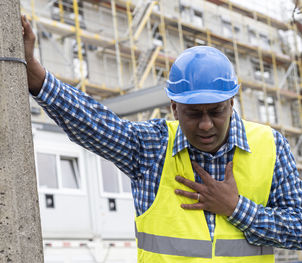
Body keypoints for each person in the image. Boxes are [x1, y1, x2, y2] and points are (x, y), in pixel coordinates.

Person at [21, 15, 302, 261]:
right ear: (174, 109)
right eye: (193, 114)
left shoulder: (270, 146)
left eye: (215, 111)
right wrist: (37, 77)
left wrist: (236, 208)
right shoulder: (152, 148)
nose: (205, 125)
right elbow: (96, 124)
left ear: (231, 104)